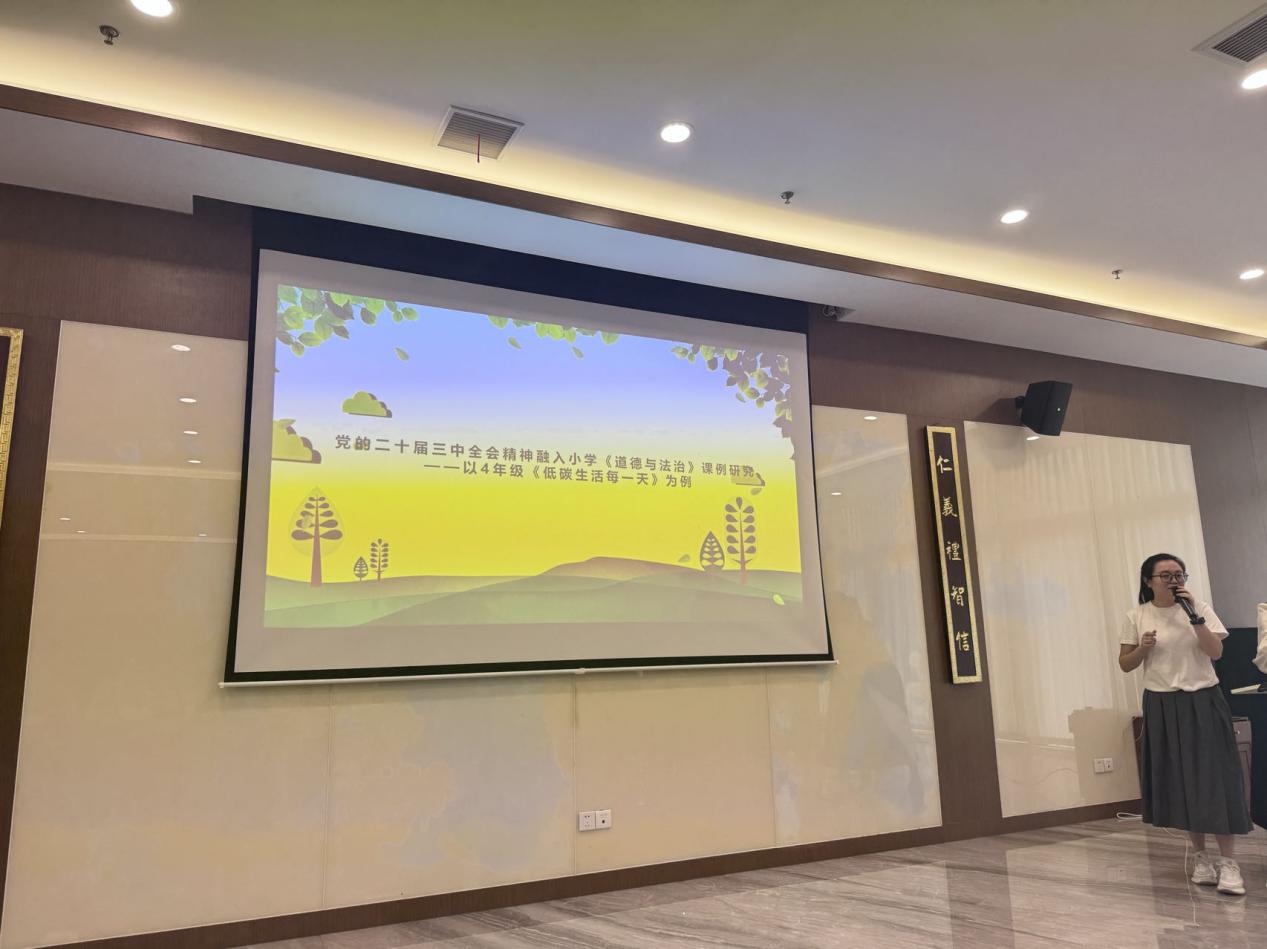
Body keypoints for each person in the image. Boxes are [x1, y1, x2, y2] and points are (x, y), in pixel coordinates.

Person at [1119, 553, 1251, 896]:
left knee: (1216, 777)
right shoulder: (1137, 615)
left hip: (1203, 699)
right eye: (1165, 575)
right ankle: (1201, 857)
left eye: (1179, 574)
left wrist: (1195, 617)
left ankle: (1229, 862)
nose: (1174, 580)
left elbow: (1215, 653)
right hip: (1162, 703)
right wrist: (1143, 648)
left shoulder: (1199, 608)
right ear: (1148, 581)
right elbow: (1126, 664)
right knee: (1184, 780)